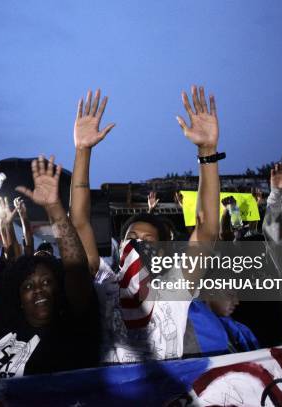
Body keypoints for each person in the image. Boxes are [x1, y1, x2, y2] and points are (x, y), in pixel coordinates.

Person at [68, 86, 221, 363]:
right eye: (131, 236)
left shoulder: (176, 286)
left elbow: (207, 226)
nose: (137, 243)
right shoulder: (106, 282)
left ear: (163, 251)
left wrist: (207, 151)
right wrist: (82, 152)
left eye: (147, 240)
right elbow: (78, 223)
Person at [0, 155, 99, 378]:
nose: (38, 289)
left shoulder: (72, 326)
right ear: (17, 297)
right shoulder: (5, 321)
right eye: (27, 286)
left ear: (60, 289)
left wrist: (54, 207)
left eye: (47, 282)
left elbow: (76, 267)